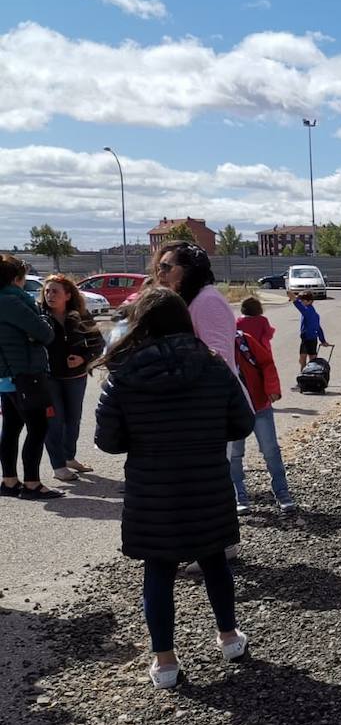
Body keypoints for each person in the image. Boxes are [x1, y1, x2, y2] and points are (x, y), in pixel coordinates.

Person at [94, 286, 255, 689]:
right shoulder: (214, 365)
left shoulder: (124, 375)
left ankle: (165, 663)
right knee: (215, 561)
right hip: (207, 481)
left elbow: (107, 441)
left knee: (159, 570)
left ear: (141, 325)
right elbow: (243, 423)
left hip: (153, 489)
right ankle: (230, 639)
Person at [0, 254, 61, 500]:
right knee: (38, 426)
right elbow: (45, 333)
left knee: (12, 427)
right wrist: (42, 319)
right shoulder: (13, 301)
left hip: (6, 376)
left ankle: (9, 480)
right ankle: (33, 484)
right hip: (25, 373)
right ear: (17, 278)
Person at [40, 275, 104, 482]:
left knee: (73, 419)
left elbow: (98, 344)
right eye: (47, 291)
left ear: (68, 295)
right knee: (54, 421)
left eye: (55, 291)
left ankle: (69, 458)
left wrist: (83, 358)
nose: (50, 295)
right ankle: (58, 466)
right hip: (49, 378)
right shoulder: (39, 317)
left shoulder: (80, 316)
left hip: (76, 377)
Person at [230, 322, 296, 515]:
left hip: (259, 404)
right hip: (232, 409)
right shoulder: (209, 345)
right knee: (234, 454)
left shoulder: (242, 340)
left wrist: (272, 388)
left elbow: (267, 362)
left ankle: (282, 491)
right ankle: (239, 495)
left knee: (271, 450)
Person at [150, 242, 236, 366]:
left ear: (188, 270)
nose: (160, 274)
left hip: (211, 385)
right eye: (159, 267)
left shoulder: (208, 301)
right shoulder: (186, 300)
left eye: (166, 267)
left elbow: (220, 360)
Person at [289, 290, 328, 370]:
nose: (302, 302)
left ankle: (304, 375)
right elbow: (318, 328)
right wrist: (323, 340)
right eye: (301, 300)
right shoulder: (314, 313)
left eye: (303, 300)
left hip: (307, 338)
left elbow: (297, 304)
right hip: (311, 339)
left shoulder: (307, 311)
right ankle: (310, 375)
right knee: (311, 359)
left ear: (310, 301)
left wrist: (291, 295)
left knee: (304, 359)